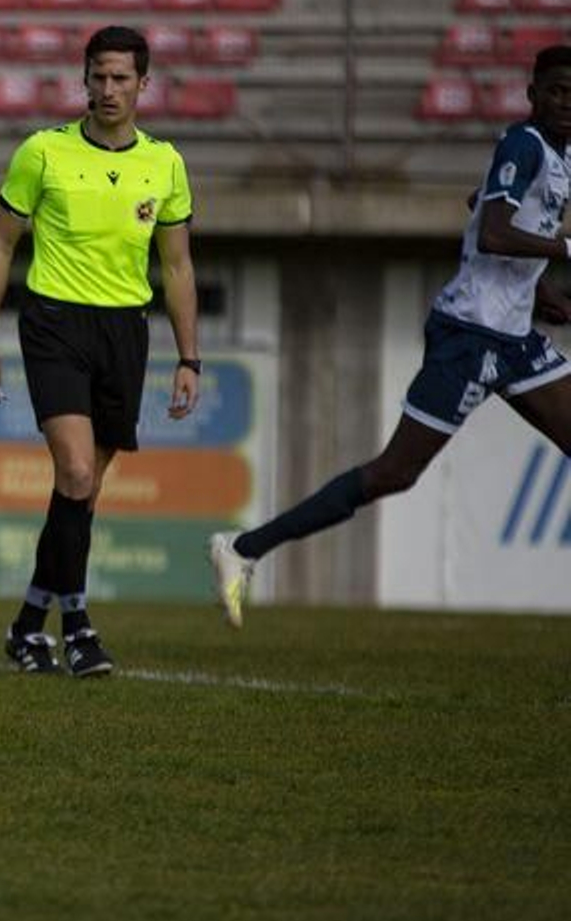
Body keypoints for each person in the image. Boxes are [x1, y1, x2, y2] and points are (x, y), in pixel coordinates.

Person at [210, 46, 571, 627]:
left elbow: (482, 207)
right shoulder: (524, 144)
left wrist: (539, 289)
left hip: (512, 335)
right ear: (533, 94)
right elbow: (497, 233)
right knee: (393, 473)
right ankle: (242, 548)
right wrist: (562, 251)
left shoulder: (560, 154)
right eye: (556, 91)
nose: (566, 103)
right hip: (470, 335)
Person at [0, 25, 202, 678]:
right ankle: (77, 628)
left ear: (144, 85)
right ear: (83, 79)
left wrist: (190, 359)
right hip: (54, 325)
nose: (108, 89)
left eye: (121, 78)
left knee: (82, 493)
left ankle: (25, 627)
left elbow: (178, 267)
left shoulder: (166, 164)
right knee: (75, 474)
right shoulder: (42, 153)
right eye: (98, 76)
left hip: (126, 333)